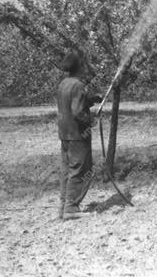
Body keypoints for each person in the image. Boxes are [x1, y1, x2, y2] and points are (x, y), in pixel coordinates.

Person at [56, 52, 100, 220]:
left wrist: (90, 100)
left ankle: (63, 205)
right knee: (81, 169)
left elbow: (71, 103)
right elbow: (77, 111)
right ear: (79, 67)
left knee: (67, 169)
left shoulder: (63, 84)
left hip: (65, 133)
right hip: (77, 134)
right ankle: (72, 208)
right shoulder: (78, 85)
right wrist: (90, 120)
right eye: (83, 65)